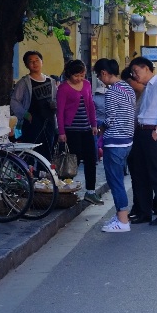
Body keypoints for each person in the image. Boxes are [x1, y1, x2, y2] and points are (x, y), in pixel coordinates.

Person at [128, 56, 157, 225]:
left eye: (136, 71)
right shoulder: (147, 88)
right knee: (140, 174)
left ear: (146, 68)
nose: (134, 75)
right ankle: (144, 212)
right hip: (141, 132)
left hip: (153, 133)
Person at [94, 59, 135, 232]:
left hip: (115, 142)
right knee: (118, 179)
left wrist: (99, 129)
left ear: (104, 73)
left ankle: (123, 221)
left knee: (115, 181)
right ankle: (120, 215)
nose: (99, 78)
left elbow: (110, 118)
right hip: (127, 140)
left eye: (98, 75)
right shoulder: (128, 88)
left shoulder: (112, 92)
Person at [56, 59, 102, 205]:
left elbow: (90, 106)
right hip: (71, 131)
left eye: (82, 75)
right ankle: (66, 192)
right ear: (69, 74)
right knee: (70, 162)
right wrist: (61, 132)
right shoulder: (63, 88)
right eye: (77, 75)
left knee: (90, 160)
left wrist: (94, 124)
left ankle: (90, 192)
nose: (80, 79)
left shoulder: (87, 85)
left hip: (86, 129)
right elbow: (60, 112)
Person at [11, 50, 58, 159]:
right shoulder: (24, 82)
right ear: (27, 65)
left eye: (37, 60)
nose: (34, 63)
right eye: (31, 61)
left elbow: (55, 98)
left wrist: (54, 106)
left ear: (42, 62)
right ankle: (30, 173)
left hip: (49, 121)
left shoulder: (51, 81)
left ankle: (44, 174)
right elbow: (14, 100)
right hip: (32, 122)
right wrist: (25, 114)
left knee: (48, 149)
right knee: (31, 150)